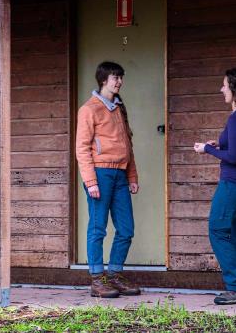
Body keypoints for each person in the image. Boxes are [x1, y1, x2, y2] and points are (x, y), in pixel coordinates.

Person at [193, 67, 236, 305]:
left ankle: (235, 288)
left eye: (224, 85)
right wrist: (217, 144)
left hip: (234, 183)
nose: (221, 89)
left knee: (218, 229)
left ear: (235, 88)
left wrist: (207, 149)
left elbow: (233, 157)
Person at [76, 61, 141, 298]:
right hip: (100, 174)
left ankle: (114, 275)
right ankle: (97, 279)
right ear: (104, 80)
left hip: (121, 174)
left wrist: (132, 175)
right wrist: (91, 181)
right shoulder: (89, 109)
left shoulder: (119, 108)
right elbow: (82, 148)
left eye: (121, 77)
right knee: (98, 227)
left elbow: (128, 145)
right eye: (116, 77)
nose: (119, 82)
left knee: (126, 228)